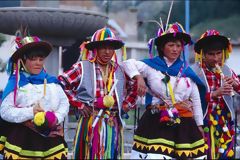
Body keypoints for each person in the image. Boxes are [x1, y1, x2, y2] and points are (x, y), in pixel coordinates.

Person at [122, 22, 207, 159]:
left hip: (183, 122)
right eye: (171, 45)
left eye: (178, 46)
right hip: (156, 120)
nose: (175, 49)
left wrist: (199, 125)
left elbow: (196, 100)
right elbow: (127, 63)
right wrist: (139, 77)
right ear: (162, 47)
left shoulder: (186, 71)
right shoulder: (150, 66)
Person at [58, 27, 137, 159]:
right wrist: (79, 105)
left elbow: (133, 88)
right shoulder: (82, 67)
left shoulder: (120, 70)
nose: (107, 52)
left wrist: (124, 106)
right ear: (95, 48)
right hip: (90, 123)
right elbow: (61, 84)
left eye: (111, 48)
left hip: (113, 123)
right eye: (103, 47)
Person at [0, 34, 69, 159]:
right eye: (33, 59)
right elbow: (5, 111)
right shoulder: (15, 84)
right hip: (22, 140)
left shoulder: (52, 82)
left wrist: (55, 118)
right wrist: (31, 112)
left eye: (41, 59)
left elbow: (64, 103)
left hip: (51, 140)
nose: (38, 63)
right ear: (23, 60)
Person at [192, 29, 240, 159]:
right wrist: (214, 94)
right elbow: (188, 99)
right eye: (211, 54)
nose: (216, 58)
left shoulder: (228, 70)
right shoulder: (194, 72)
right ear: (202, 54)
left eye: (219, 53)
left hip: (224, 122)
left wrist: (236, 85)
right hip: (203, 122)